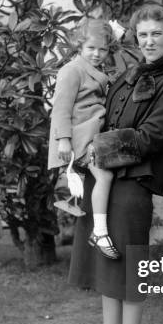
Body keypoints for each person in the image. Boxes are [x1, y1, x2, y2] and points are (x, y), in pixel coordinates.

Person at [69, 4, 163, 324]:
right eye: (143, 35)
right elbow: (103, 117)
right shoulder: (126, 75)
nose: (149, 41)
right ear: (135, 38)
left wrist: (94, 150)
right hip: (102, 180)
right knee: (108, 274)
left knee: (130, 275)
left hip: (133, 185)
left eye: (157, 34)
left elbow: (150, 137)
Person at [48, 17, 119, 259]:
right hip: (79, 138)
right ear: (79, 46)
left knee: (105, 176)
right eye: (91, 48)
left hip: (94, 135)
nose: (97, 54)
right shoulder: (72, 70)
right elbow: (61, 108)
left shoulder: (97, 71)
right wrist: (64, 140)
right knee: (105, 175)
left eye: (103, 49)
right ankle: (99, 231)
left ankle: (97, 230)